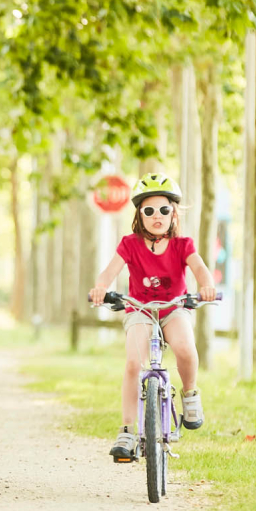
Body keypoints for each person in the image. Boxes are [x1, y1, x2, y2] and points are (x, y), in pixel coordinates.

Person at [88, 173, 217, 462]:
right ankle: (127, 430)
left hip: (174, 308)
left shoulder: (183, 245)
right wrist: (100, 288)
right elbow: (109, 271)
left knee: (185, 347)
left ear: (174, 213)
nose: (157, 216)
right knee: (134, 362)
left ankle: (191, 393)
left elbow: (199, 269)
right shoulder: (130, 244)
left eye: (164, 210)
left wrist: (206, 285)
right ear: (139, 215)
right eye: (149, 210)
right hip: (140, 309)